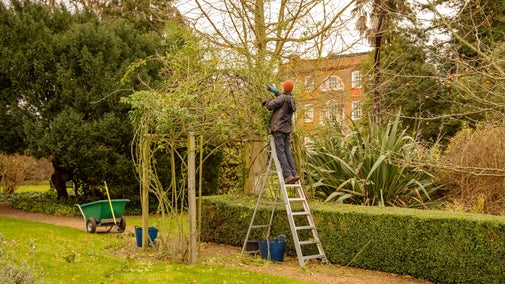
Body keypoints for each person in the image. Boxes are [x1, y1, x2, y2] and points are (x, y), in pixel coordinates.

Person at [262, 80, 299, 184]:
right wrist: (275, 91)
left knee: (280, 152)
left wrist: (267, 101)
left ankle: (287, 175)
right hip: (287, 130)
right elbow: (283, 98)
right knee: (287, 151)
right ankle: (294, 173)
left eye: (282, 86)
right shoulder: (291, 99)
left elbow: (270, 106)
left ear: (284, 88)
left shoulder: (282, 98)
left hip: (278, 128)